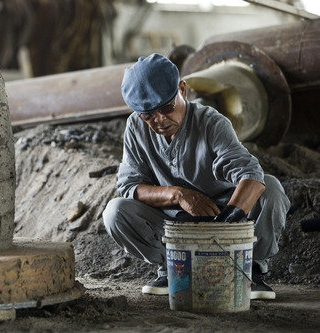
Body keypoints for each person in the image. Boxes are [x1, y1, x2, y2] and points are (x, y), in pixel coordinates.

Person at [102, 53, 291, 300]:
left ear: (183, 90)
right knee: (115, 211)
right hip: (174, 221)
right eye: (147, 114)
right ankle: (173, 269)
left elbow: (251, 175)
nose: (159, 120)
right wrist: (178, 195)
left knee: (272, 188)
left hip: (221, 212)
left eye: (166, 108)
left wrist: (231, 218)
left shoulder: (211, 123)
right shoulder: (135, 128)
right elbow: (130, 186)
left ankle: (250, 270)